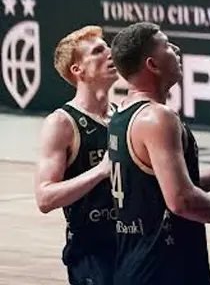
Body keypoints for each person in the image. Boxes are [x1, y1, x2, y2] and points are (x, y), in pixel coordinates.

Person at [107, 22, 210, 284]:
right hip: (163, 269)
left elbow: (158, 192)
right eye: (166, 45)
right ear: (152, 64)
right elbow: (181, 200)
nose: (176, 48)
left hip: (136, 264)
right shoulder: (158, 118)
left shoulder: (122, 114)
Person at [34, 27, 119, 285]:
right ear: (77, 70)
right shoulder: (62, 122)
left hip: (131, 246)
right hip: (92, 254)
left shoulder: (122, 117)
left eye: (108, 47)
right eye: (98, 51)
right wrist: (101, 171)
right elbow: (45, 197)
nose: (110, 53)